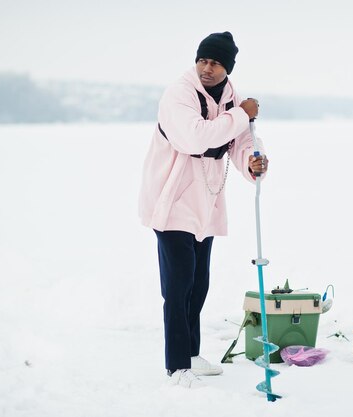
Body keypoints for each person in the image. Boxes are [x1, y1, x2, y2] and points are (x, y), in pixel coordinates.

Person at [138, 31, 268, 387]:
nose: (206, 68)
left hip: (206, 202)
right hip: (172, 200)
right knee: (178, 286)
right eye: (202, 60)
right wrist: (241, 116)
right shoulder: (179, 94)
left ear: (227, 68)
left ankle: (192, 355)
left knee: (198, 285)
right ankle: (176, 365)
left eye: (215, 63)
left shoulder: (231, 99)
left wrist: (251, 163)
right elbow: (196, 137)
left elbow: (240, 141)